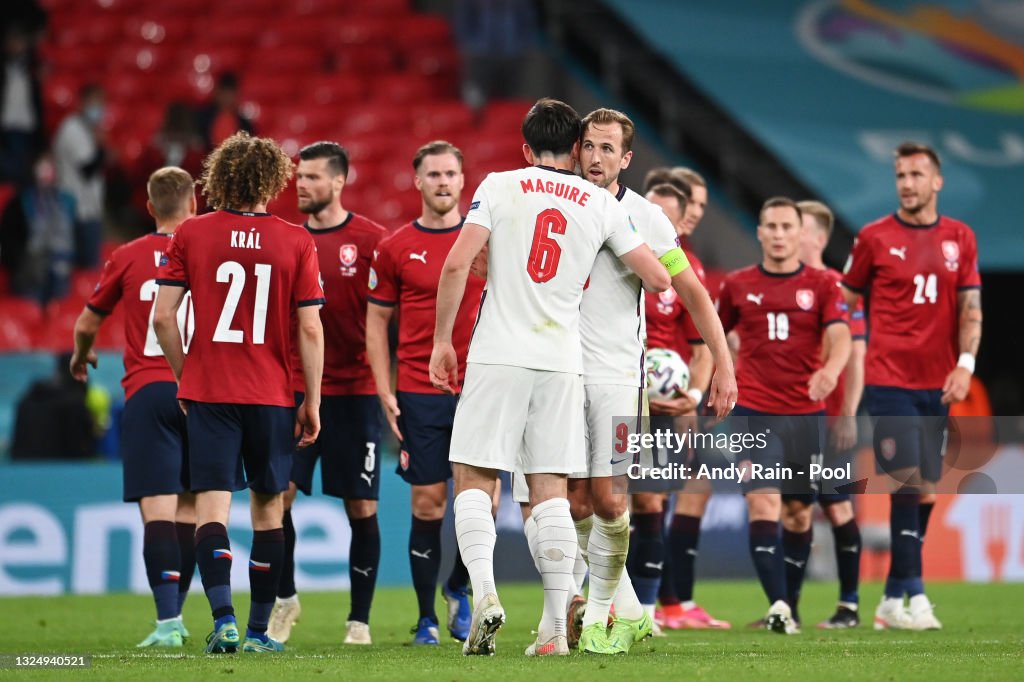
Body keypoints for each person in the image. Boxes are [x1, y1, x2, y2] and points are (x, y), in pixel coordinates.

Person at [428, 98, 671, 657]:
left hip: (498, 353)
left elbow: (459, 262)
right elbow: (658, 279)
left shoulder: (498, 185)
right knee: (552, 493)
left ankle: (484, 594)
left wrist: (443, 341)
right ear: (577, 147)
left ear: (526, 147)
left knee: (475, 479)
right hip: (563, 362)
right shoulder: (599, 202)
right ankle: (556, 631)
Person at [551, 108, 735, 654]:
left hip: (617, 378)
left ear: (626, 159)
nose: (597, 157)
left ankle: (610, 613)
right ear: (577, 149)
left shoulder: (649, 218)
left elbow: (693, 294)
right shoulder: (555, 206)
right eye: (589, 145)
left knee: (612, 502)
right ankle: (618, 613)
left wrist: (723, 366)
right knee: (575, 503)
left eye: (609, 149)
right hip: (561, 374)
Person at [153, 132, 325, 654]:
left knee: (211, 509)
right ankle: (257, 634)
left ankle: (222, 620)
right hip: (271, 394)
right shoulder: (296, 239)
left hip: (210, 392)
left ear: (218, 178)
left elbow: (162, 318)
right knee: (268, 511)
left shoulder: (191, 233)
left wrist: (187, 375)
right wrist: (311, 400)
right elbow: (311, 329)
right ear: (273, 180)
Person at [840, 142, 981, 631]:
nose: (907, 182)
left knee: (924, 493)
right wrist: (854, 343)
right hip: (888, 378)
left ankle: (891, 597)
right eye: (901, 174)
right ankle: (917, 598)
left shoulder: (960, 238)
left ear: (937, 181)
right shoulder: (874, 237)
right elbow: (844, 298)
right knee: (907, 480)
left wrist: (965, 363)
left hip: (937, 382)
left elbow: (970, 310)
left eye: (917, 174)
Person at [69, 166, 199, 647]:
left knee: (157, 511)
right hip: (200, 391)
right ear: (194, 204)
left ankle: (168, 622)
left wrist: (82, 357)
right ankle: (179, 613)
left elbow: (86, 323)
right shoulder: (207, 250)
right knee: (189, 510)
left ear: (149, 207)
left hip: (147, 390)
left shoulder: (127, 256)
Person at [267, 141, 387, 647]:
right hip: (296, 388)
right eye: (299, 176)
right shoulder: (288, 240)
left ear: (340, 181)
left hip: (355, 392)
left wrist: (390, 388)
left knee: (360, 507)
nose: (302, 184)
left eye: (314, 177)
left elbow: (388, 319)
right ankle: (285, 597)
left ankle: (358, 620)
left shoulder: (371, 240)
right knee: (279, 497)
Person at [364, 141, 481, 646]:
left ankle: (460, 586)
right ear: (417, 181)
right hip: (418, 388)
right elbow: (376, 323)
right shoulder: (394, 247)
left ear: (462, 180)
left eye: (450, 173)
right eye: (432, 174)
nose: (442, 182)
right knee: (430, 503)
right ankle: (427, 617)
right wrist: (384, 389)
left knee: (481, 503)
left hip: (481, 386)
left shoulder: (483, 241)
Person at [717, 196, 851, 634]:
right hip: (754, 410)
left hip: (805, 416)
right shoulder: (736, 285)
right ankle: (777, 604)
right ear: (759, 232)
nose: (777, 234)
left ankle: (788, 607)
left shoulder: (824, 285)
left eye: (785, 227)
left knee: (796, 513)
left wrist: (830, 371)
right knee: (763, 500)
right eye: (769, 226)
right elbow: (718, 335)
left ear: (799, 233)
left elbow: (841, 335)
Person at [793, 199, 866, 629]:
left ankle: (850, 605)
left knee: (838, 508)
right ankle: (788, 607)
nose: (785, 233)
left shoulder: (840, 288)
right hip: (792, 419)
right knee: (795, 509)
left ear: (818, 237)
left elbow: (857, 356)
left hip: (832, 419)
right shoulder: (782, 285)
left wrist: (849, 413)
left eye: (795, 227)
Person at [0, 153, 74, 304]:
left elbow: (71, 237)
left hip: (59, 275)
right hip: (29, 274)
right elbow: (8, 241)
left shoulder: (67, 201)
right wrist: (19, 264)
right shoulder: (19, 202)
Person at [52, 83, 107, 268]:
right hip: (76, 210)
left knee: (90, 272)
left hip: (89, 210)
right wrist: (102, 148)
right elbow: (88, 169)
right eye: (94, 103)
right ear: (82, 103)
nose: (98, 109)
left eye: (101, 104)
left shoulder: (88, 130)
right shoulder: (71, 128)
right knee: (82, 269)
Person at [195, 72, 254, 151]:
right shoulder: (201, 118)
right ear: (217, 93)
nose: (226, 99)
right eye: (224, 93)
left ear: (236, 95)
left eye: (230, 94)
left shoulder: (245, 125)